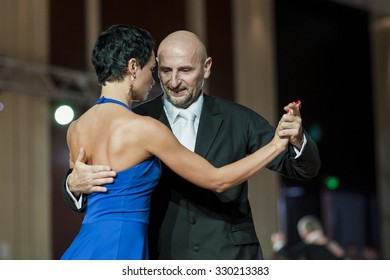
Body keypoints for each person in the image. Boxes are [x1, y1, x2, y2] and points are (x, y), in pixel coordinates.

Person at [62, 29, 321, 260]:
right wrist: (72, 184)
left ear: (206, 67)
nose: (172, 81)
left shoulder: (76, 127)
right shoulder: (144, 123)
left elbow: (301, 168)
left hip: (227, 257)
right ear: (133, 68)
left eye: (185, 70)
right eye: (161, 70)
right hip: (155, 256)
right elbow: (217, 179)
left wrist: (295, 140)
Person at [271, 215, 345, 260]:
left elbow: (290, 256)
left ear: (305, 232)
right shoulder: (334, 246)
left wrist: (279, 243)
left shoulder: (308, 248)